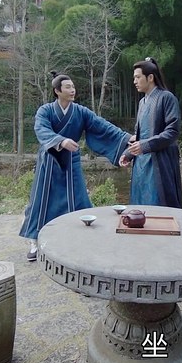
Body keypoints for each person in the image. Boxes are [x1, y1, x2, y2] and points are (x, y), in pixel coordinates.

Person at [19, 73, 131, 261]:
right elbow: (41, 129)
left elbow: (101, 125)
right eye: (68, 87)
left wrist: (126, 137)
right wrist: (61, 141)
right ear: (57, 91)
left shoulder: (80, 111)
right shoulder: (45, 111)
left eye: (73, 86)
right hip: (49, 160)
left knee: (77, 198)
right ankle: (34, 241)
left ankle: (78, 237)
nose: (72, 90)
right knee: (41, 200)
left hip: (71, 160)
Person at [119, 57, 182, 208]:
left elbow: (172, 131)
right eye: (134, 78)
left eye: (138, 77)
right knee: (140, 205)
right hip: (141, 162)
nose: (134, 81)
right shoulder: (142, 102)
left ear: (150, 78)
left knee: (160, 204)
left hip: (160, 161)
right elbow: (139, 134)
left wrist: (146, 145)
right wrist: (128, 153)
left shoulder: (167, 98)